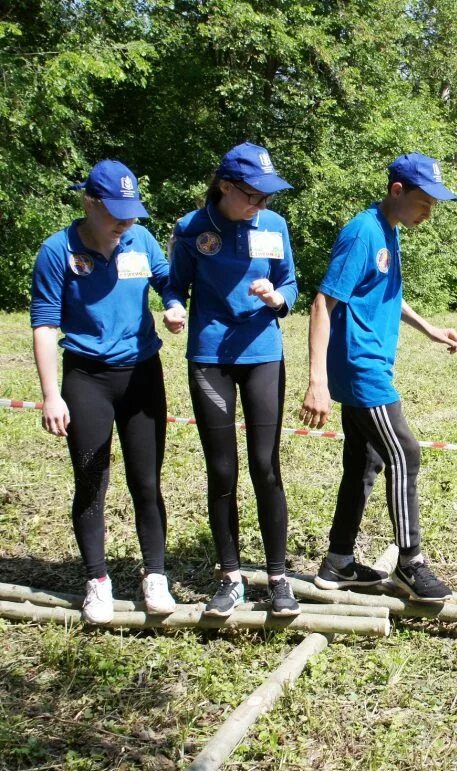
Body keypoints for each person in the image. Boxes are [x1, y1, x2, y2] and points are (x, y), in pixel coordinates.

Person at [299, 152, 457, 602]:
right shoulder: (363, 232)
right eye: (425, 202)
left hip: (369, 363)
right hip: (360, 366)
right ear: (397, 191)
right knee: (405, 453)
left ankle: (338, 563)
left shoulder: (389, 230)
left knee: (365, 461)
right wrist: (317, 381)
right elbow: (322, 304)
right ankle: (411, 564)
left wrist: (428, 328)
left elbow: (385, 293)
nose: (430, 212)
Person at [30, 160, 179, 624]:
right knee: (92, 481)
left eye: (132, 211)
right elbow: (44, 323)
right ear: (89, 202)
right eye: (115, 211)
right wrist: (52, 394)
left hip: (141, 376)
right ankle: (97, 580)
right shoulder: (58, 250)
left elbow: (167, 280)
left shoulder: (140, 240)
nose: (125, 221)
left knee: (147, 480)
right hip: (86, 379)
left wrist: (172, 305)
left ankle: (154, 574)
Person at [164, 142, 300, 617]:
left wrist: (276, 298)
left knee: (266, 465)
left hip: (262, 352)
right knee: (222, 469)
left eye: (267, 197)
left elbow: (291, 284)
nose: (261, 205)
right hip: (209, 357)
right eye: (253, 196)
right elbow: (174, 284)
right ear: (225, 186)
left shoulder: (274, 226)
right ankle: (230, 577)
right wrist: (175, 307)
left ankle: (279, 578)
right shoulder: (192, 228)